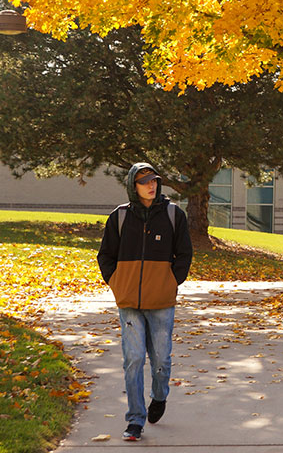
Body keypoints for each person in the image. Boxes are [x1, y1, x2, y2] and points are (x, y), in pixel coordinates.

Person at [97, 163, 193, 442]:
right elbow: (105, 256)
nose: (151, 185)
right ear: (132, 186)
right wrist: (117, 282)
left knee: (161, 360)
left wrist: (170, 282)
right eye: (144, 182)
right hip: (129, 302)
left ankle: (160, 396)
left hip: (162, 302)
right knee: (134, 359)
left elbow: (184, 254)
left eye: (154, 180)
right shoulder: (120, 217)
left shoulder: (174, 215)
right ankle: (135, 420)